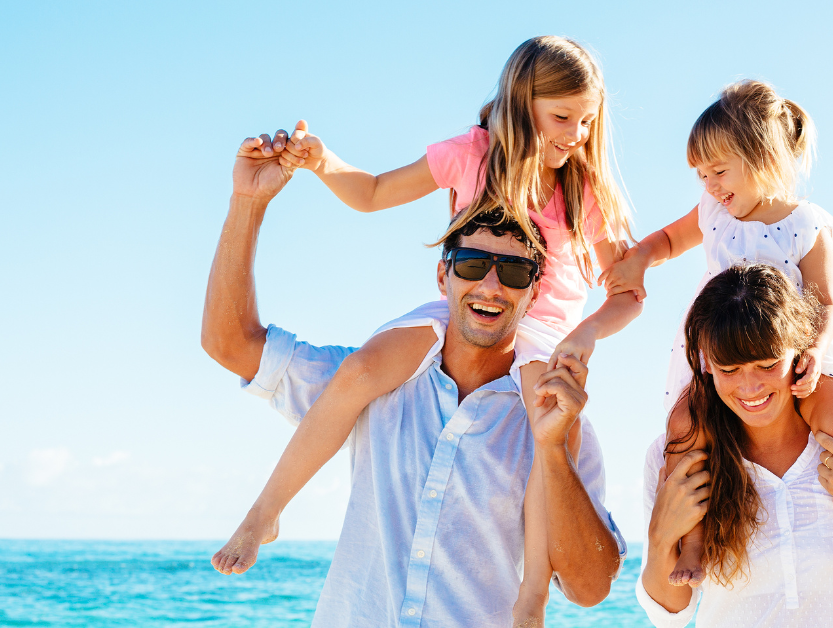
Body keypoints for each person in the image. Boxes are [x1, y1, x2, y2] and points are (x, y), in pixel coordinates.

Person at [247, 35, 640, 625]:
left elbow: (628, 294)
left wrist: (584, 337)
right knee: (359, 371)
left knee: (545, 436)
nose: (576, 134)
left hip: (540, 336)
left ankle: (531, 594)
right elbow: (375, 192)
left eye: (587, 121)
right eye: (562, 117)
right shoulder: (471, 155)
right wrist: (323, 163)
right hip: (460, 310)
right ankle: (265, 513)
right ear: (520, 102)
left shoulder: (579, 191)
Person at [601, 80, 833, 585]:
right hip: (724, 352)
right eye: (701, 175)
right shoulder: (713, 213)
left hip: (794, 354)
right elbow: (670, 238)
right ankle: (690, 543)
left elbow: (824, 300)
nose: (709, 185)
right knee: (687, 429)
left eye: (718, 171)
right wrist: (641, 259)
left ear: (762, 156)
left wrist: (816, 355)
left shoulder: (805, 224)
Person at [636, 264, 833, 627]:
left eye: (768, 365)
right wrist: (661, 538)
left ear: (799, 346)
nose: (750, 387)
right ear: (707, 360)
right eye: (729, 370)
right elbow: (668, 616)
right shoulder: (679, 449)